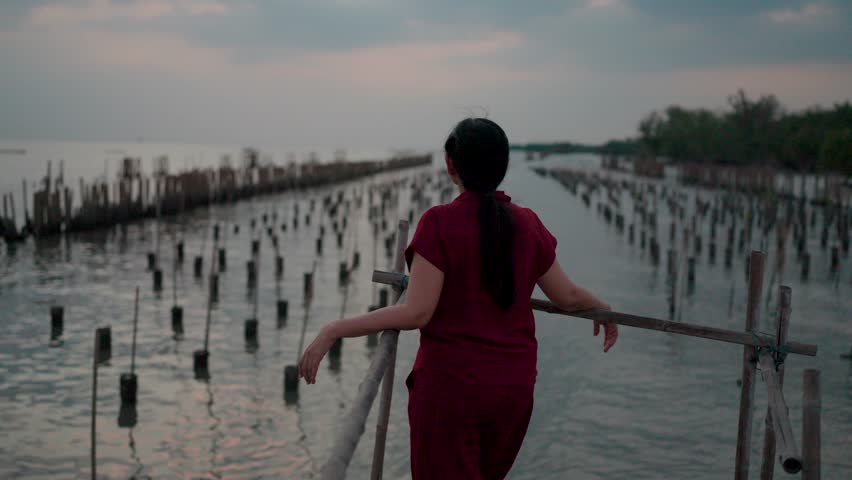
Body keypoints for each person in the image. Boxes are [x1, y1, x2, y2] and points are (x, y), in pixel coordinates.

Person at [298, 117, 617, 479]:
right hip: (512, 391)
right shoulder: (528, 224)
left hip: (452, 391)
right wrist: (604, 308)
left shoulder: (439, 223)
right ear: (503, 166)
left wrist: (335, 328)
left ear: (451, 165)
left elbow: (417, 313)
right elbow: (568, 295)